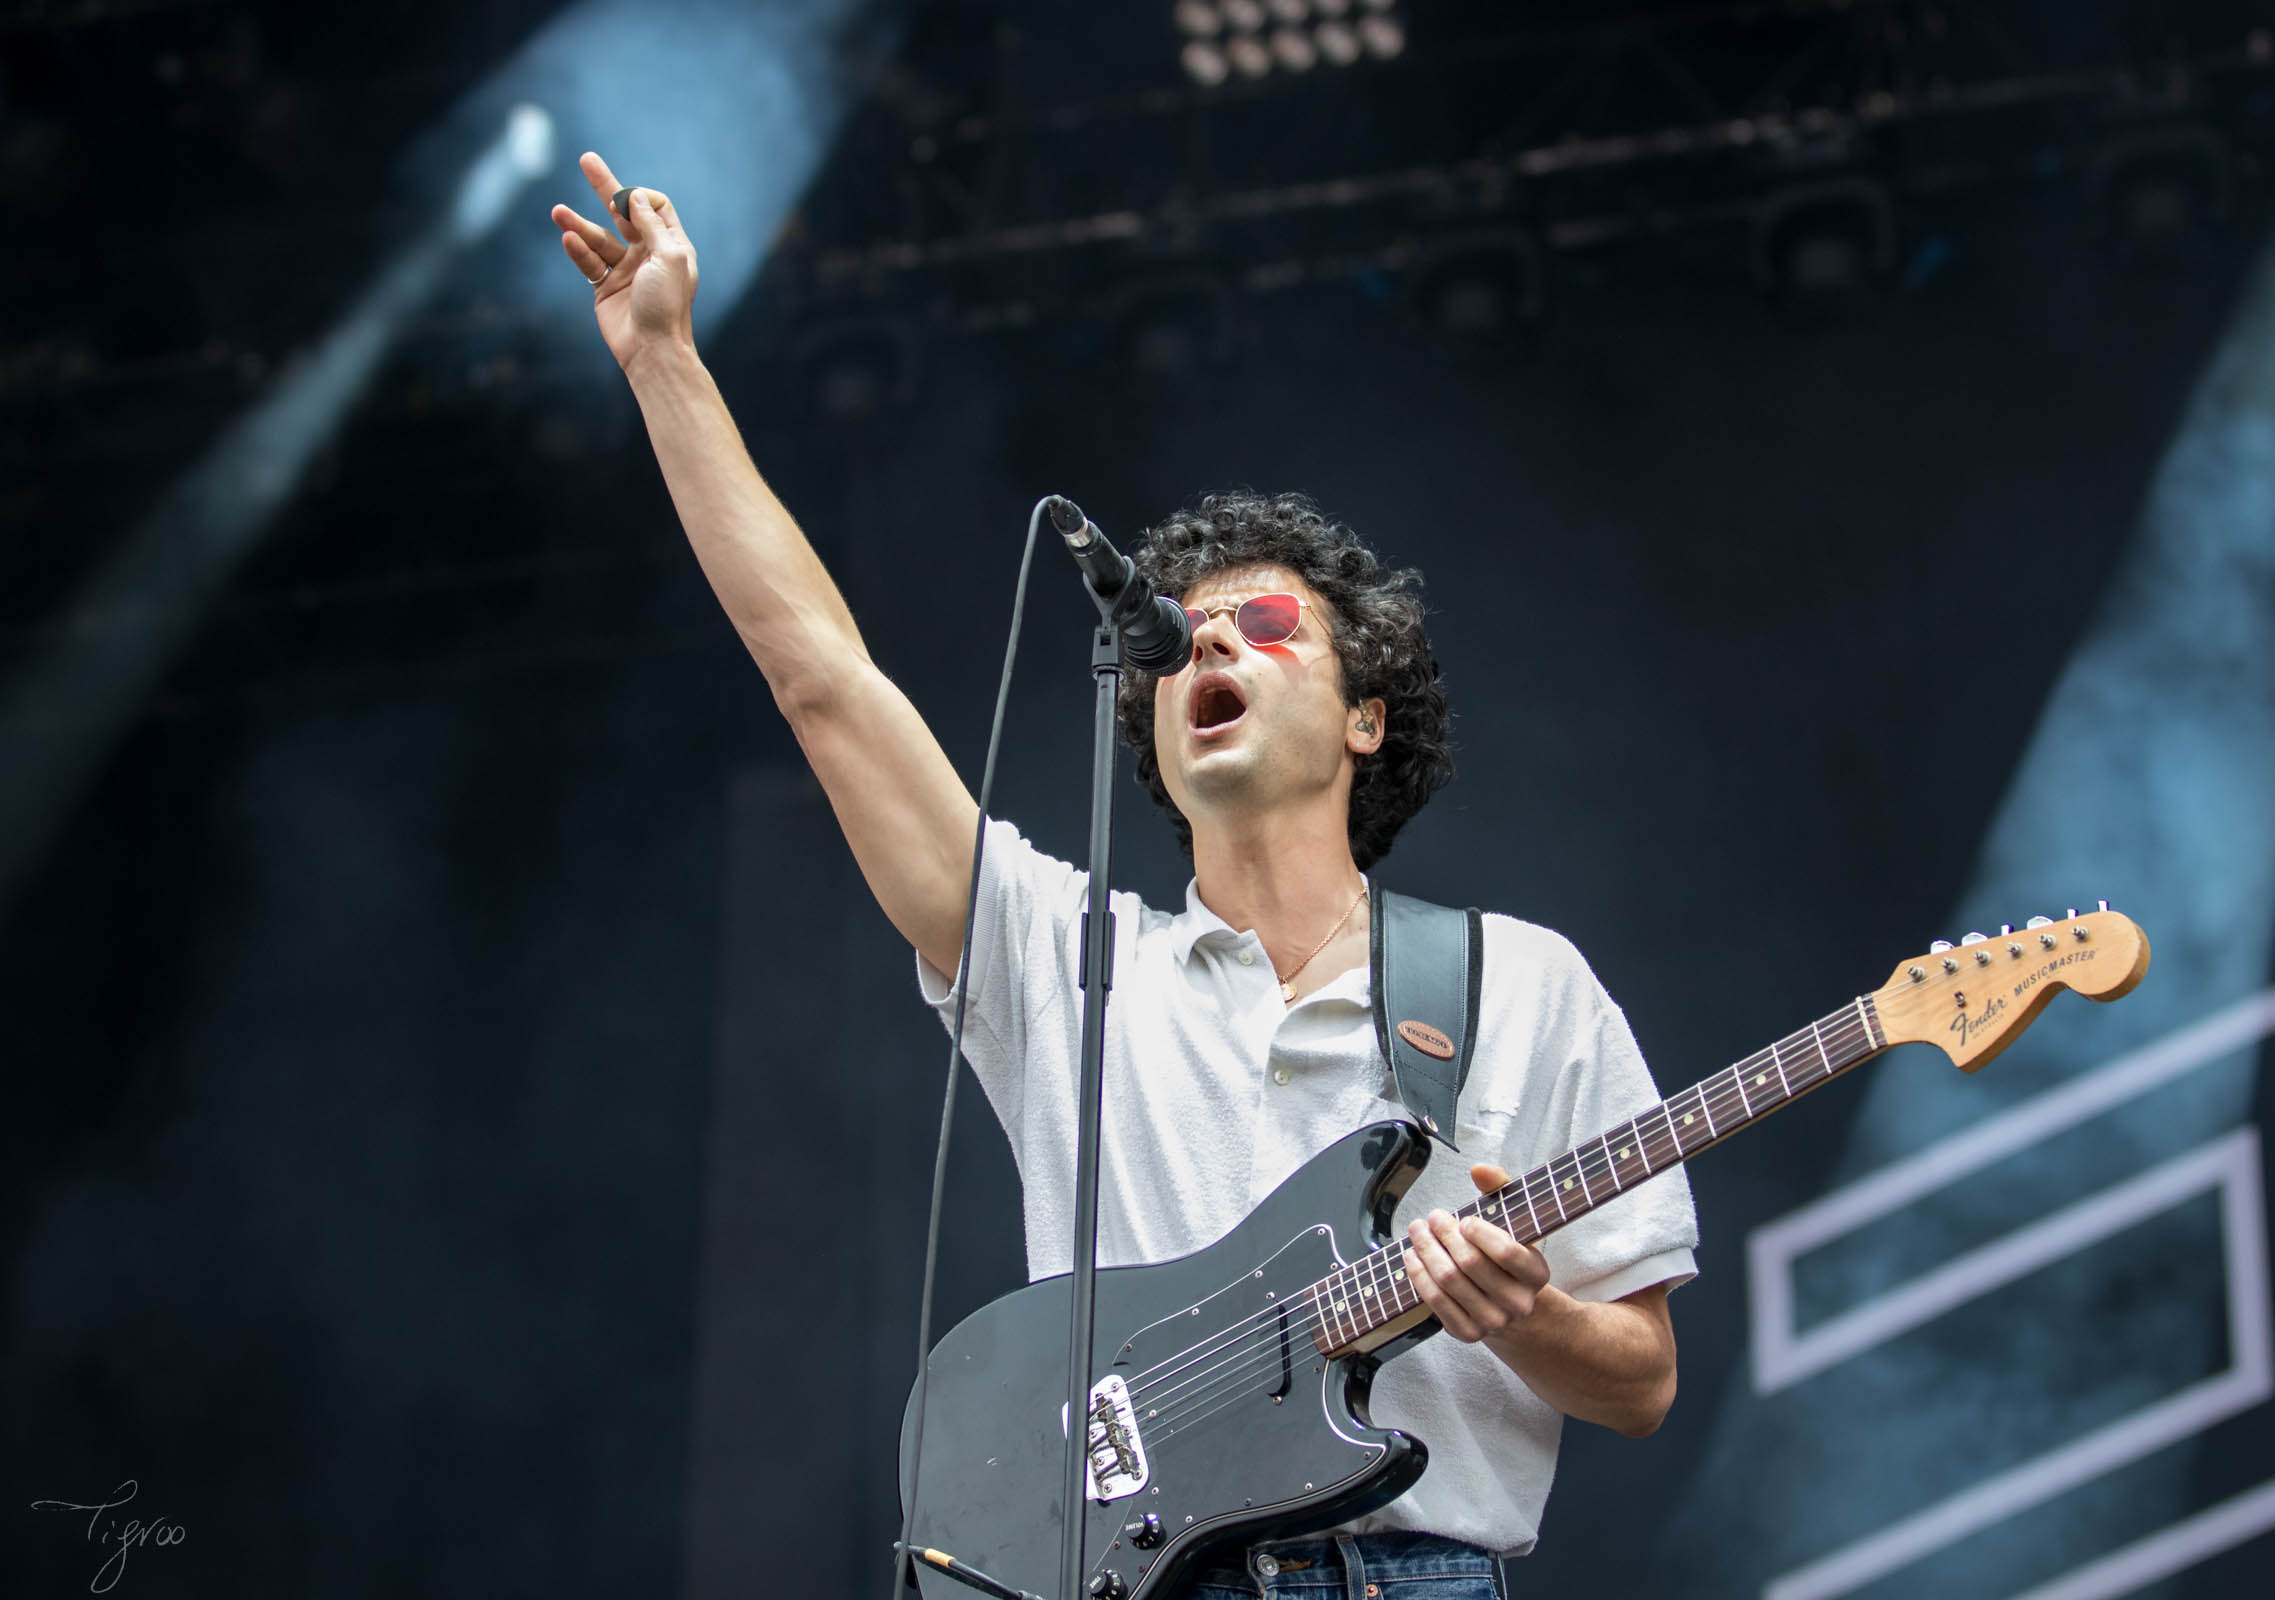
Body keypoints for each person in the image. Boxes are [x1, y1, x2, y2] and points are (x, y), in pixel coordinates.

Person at [552, 151, 1699, 1600]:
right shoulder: (1063, 958)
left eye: (1266, 623)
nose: (1206, 645)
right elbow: (822, 681)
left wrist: (1516, 1314)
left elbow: (1639, 1378)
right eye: (1179, 639)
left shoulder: (1522, 984)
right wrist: (663, 364)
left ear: (1366, 715)